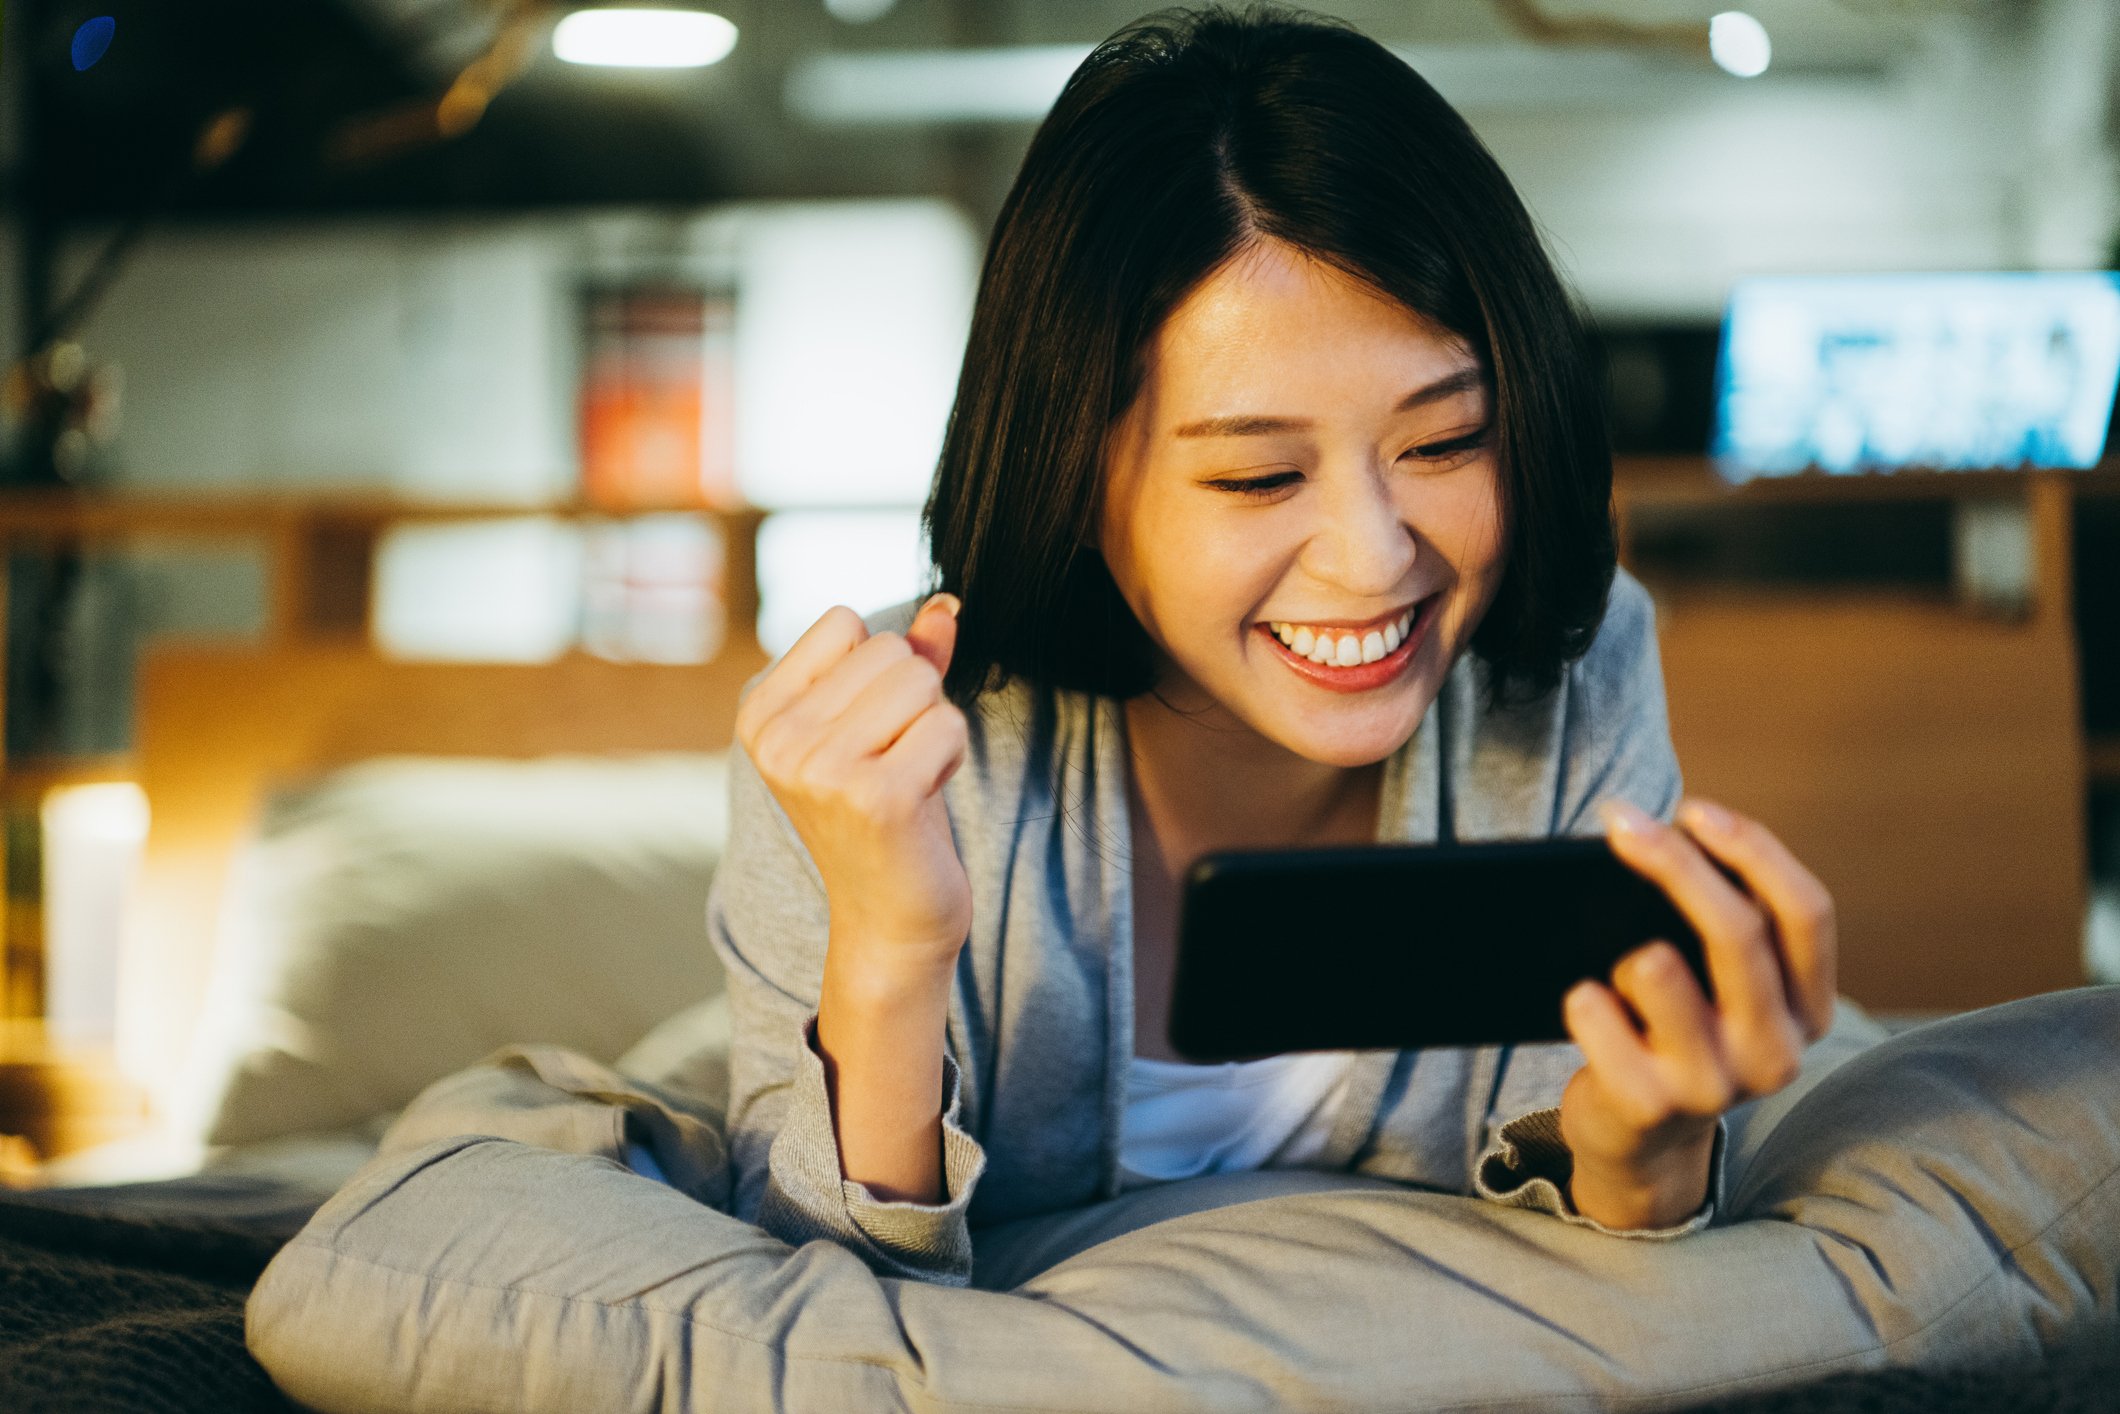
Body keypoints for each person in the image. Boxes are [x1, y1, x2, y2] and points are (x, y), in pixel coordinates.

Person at [710, 4, 1838, 1289]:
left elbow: (1611, 1251)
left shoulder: (1572, 670)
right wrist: (891, 952)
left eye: (1442, 443)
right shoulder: (864, 752)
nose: (1371, 558)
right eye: (1256, 475)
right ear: (1074, 478)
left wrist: (1648, 1143)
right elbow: (815, 1311)